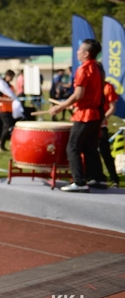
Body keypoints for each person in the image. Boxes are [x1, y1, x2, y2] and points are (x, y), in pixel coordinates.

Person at [49, 39, 103, 192]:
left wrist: (61, 106)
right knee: (90, 147)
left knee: (73, 146)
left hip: (85, 114)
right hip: (96, 113)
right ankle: (98, 178)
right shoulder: (98, 67)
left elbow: (79, 94)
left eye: (80, 50)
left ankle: (79, 182)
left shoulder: (83, 69)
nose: (77, 52)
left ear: (86, 54)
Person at [97, 79, 120, 188]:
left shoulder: (108, 87)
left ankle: (114, 179)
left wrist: (104, 119)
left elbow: (112, 107)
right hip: (89, 124)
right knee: (89, 152)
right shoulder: (89, 85)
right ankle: (95, 177)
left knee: (105, 152)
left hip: (101, 125)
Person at [0, 70, 16, 152]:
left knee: (6, 127)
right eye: (11, 76)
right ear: (7, 76)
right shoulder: (2, 85)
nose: (12, 78)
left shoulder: (10, 86)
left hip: (9, 109)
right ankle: (0, 142)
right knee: (9, 126)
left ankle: (2, 144)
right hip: (2, 109)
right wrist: (8, 99)